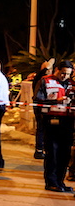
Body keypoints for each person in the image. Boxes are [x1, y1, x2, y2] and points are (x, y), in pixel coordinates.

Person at [33, 60, 75, 193]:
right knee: (53, 153)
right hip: (51, 121)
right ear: (57, 69)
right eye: (62, 73)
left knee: (65, 154)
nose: (65, 76)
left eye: (68, 74)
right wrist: (54, 101)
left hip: (67, 121)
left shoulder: (71, 84)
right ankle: (51, 182)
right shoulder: (45, 81)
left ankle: (60, 181)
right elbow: (37, 100)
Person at [31, 59, 53, 160]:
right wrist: (48, 66)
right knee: (41, 128)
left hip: (46, 106)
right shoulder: (40, 78)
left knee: (45, 129)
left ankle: (43, 148)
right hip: (40, 107)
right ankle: (39, 150)